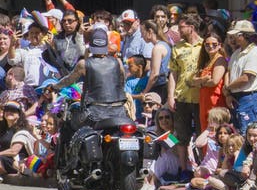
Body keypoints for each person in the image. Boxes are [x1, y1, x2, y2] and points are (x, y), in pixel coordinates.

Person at [53, 27, 131, 168]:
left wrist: (54, 87)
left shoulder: (84, 64)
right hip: (118, 111)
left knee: (69, 124)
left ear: (91, 45)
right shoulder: (117, 62)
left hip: (94, 112)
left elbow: (68, 80)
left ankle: (72, 162)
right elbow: (121, 82)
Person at [167, 13, 205, 175]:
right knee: (180, 135)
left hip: (200, 97)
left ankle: (204, 167)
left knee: (202, 134)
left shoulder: (205, 46)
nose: (178, 30)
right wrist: (170, 96)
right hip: (182, 96)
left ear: (191, 27)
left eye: (181, 27)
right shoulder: (177, 48)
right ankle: (183, 168)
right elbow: (173, 74)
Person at [224, 20, 257, 135]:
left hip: (248, 97)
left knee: (247, 132)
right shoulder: (237, 53)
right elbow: (228, 72)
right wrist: (228, 93)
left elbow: (246, 78)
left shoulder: (254, 53)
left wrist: (228, 88)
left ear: (244, 35)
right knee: (238, 131)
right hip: (236, 96)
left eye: (237, 34)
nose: (234, 37)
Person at [192, 31, 227, 130]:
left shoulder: (220, 60)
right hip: (204, 101)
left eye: (214, 44)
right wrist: (204, 79)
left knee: (214, 131)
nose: (210, 46)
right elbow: (192, 81)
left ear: (220, 46)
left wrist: (200, 82)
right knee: (205, 130)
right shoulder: (205, 61)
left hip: (215, 101)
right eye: (207, 44)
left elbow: (214, 82)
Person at [139, 20, 172, 101]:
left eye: (142, 32)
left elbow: (154, 74)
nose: (141, 36)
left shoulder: (157, 48)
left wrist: (145, 92)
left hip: (160, 88)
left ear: (150, 31)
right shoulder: (165, 45)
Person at [0, 100, 33, 178]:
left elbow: (14, 151)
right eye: (7, 109)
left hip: (16, 162)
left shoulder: (22, 130)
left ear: (19, 114)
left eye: (13, 110)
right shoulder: (2, 127)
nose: (9, 112)